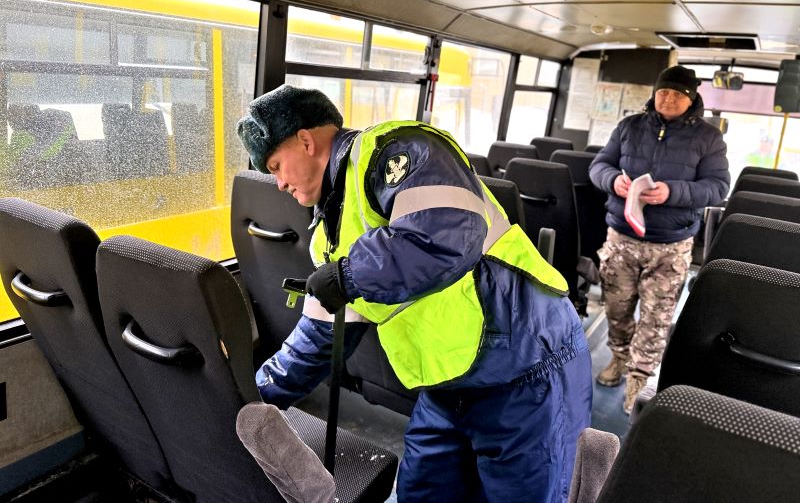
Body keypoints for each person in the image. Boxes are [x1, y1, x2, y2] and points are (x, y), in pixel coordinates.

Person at [237, 84, 592, 503]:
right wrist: (251, 396)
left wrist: (348, 275)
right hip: (447, 386)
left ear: (306, 141)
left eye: (277, 166)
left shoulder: (396, 151)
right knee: (419, 493)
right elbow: (321, 334)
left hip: (527, 370)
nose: (277, 183)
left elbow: (444, 234)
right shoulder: (327, 236)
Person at [589, 65, 730, 414]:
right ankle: (620, 358)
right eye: (663, 91)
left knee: (657, 317)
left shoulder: (709, 138)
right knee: (616, 308)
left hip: (671, 244)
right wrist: (613, 181)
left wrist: (673, 192)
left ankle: (639, 377)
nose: (668, 98)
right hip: (622, 236)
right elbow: (599, 165)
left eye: (678, 93)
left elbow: (718, 187)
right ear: (654, 93)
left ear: (691, 97)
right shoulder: (629, 127)